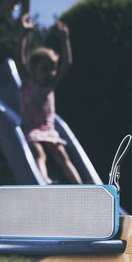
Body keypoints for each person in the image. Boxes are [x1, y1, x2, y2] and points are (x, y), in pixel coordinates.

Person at [15, 13, 83, 184]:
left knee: (61, 154)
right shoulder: (28, 82)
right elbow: (19, 58)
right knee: (39, 153)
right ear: (33, 69)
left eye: (52, 69)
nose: (50, 73)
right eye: (45, 69)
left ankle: (80, 185)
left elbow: (67, 63)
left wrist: (65, 40)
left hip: (49, 129)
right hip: (31, 129)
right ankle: (44, 181)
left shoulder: (50, 85)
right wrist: (24, 34)